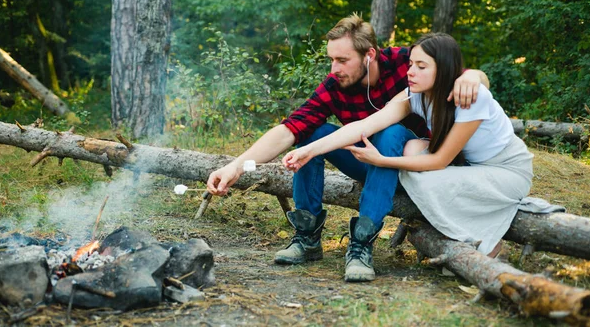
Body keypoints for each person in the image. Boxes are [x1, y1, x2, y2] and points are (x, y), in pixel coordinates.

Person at [207, 15, 489, 282]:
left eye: (343, 60)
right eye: (331, 60)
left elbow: (465, 76)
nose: (334, 69)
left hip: (418, 168)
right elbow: (289, 129)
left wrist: (473, 75)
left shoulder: (407, 63)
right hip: (368, 164)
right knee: (312, 132)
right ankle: (307, 237)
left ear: (370, 55)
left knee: (391, 132)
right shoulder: (335, 85)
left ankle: (361, 244)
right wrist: (236, 165)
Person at [283, 32, 560, 263]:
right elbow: (363, 126)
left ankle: (487, 244)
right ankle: (308, 238)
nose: (410, 72)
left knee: (420, 177)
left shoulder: (470, 98)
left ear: (444, 69)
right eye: (411, 64)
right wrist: (310, 150)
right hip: (469, 166)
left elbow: (440, 160)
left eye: (421, 66)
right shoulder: (413, 95)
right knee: (411, 150)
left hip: (506, 170)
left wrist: (381, 160)